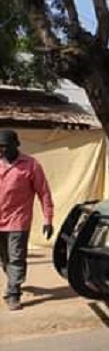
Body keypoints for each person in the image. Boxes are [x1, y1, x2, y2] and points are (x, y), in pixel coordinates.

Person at [0, 129, 54, 311]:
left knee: (16, 258)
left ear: (17, 145)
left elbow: (44, 193)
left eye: (6, 146)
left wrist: (48, 219)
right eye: (0, 147)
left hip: (18, 220)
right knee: (5, 259)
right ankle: (14, 280)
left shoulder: (31, 165)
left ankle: (13, 293)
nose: (2, 150)